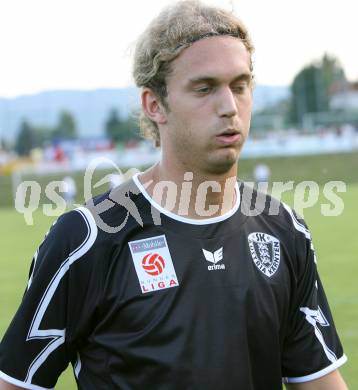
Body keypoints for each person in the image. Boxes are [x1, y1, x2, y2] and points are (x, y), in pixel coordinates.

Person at [0, 1, 348, 389]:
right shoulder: (88, 238)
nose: (230, 107)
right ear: (154, 104)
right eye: (205, 88)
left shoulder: (284, 230)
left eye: (240, 85)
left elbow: (318, 381)